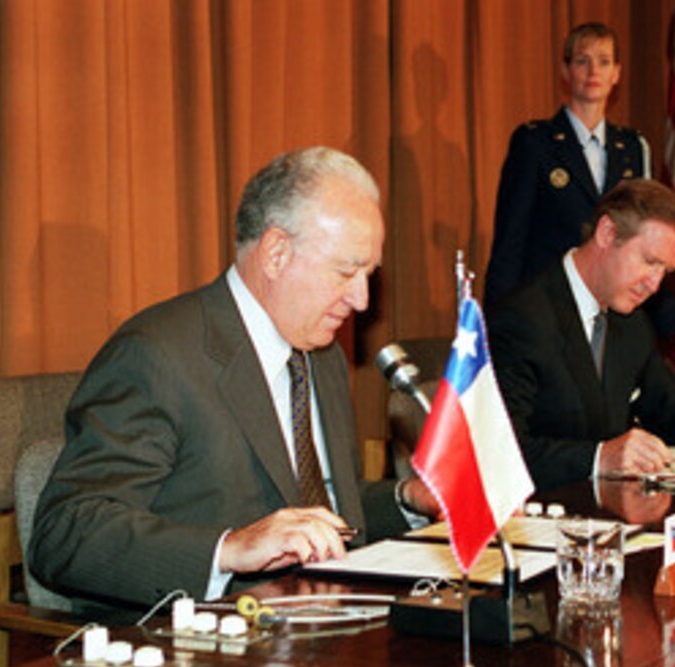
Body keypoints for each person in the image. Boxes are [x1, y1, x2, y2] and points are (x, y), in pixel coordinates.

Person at [30, 147, 437, 612]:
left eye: (369, 275)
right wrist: (230, 550)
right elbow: (64, 534)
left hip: (321, 625)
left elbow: (317, 505)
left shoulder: (321, 357)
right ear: (277, 253)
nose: (362, 300)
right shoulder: (159, 355)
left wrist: (407, 500)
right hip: (199, 648)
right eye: (346, 271)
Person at [487, 179, 675, 491]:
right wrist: (599, 457)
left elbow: (668, 405)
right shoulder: (520, 319)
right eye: (650, 261)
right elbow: (500, 452)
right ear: (607, 233)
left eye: (664, 272)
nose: (654, 285)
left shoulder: (632, 323)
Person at [485, 21, 675, 358]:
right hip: (549, 312)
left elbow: (648, 243)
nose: (593, 70)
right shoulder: (535, 142)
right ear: (565, 70)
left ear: (617, 73)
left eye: (604, 61)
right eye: (582, 60)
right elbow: (510, 243)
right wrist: (497, 325)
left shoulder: (633, 148)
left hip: (611, 315)